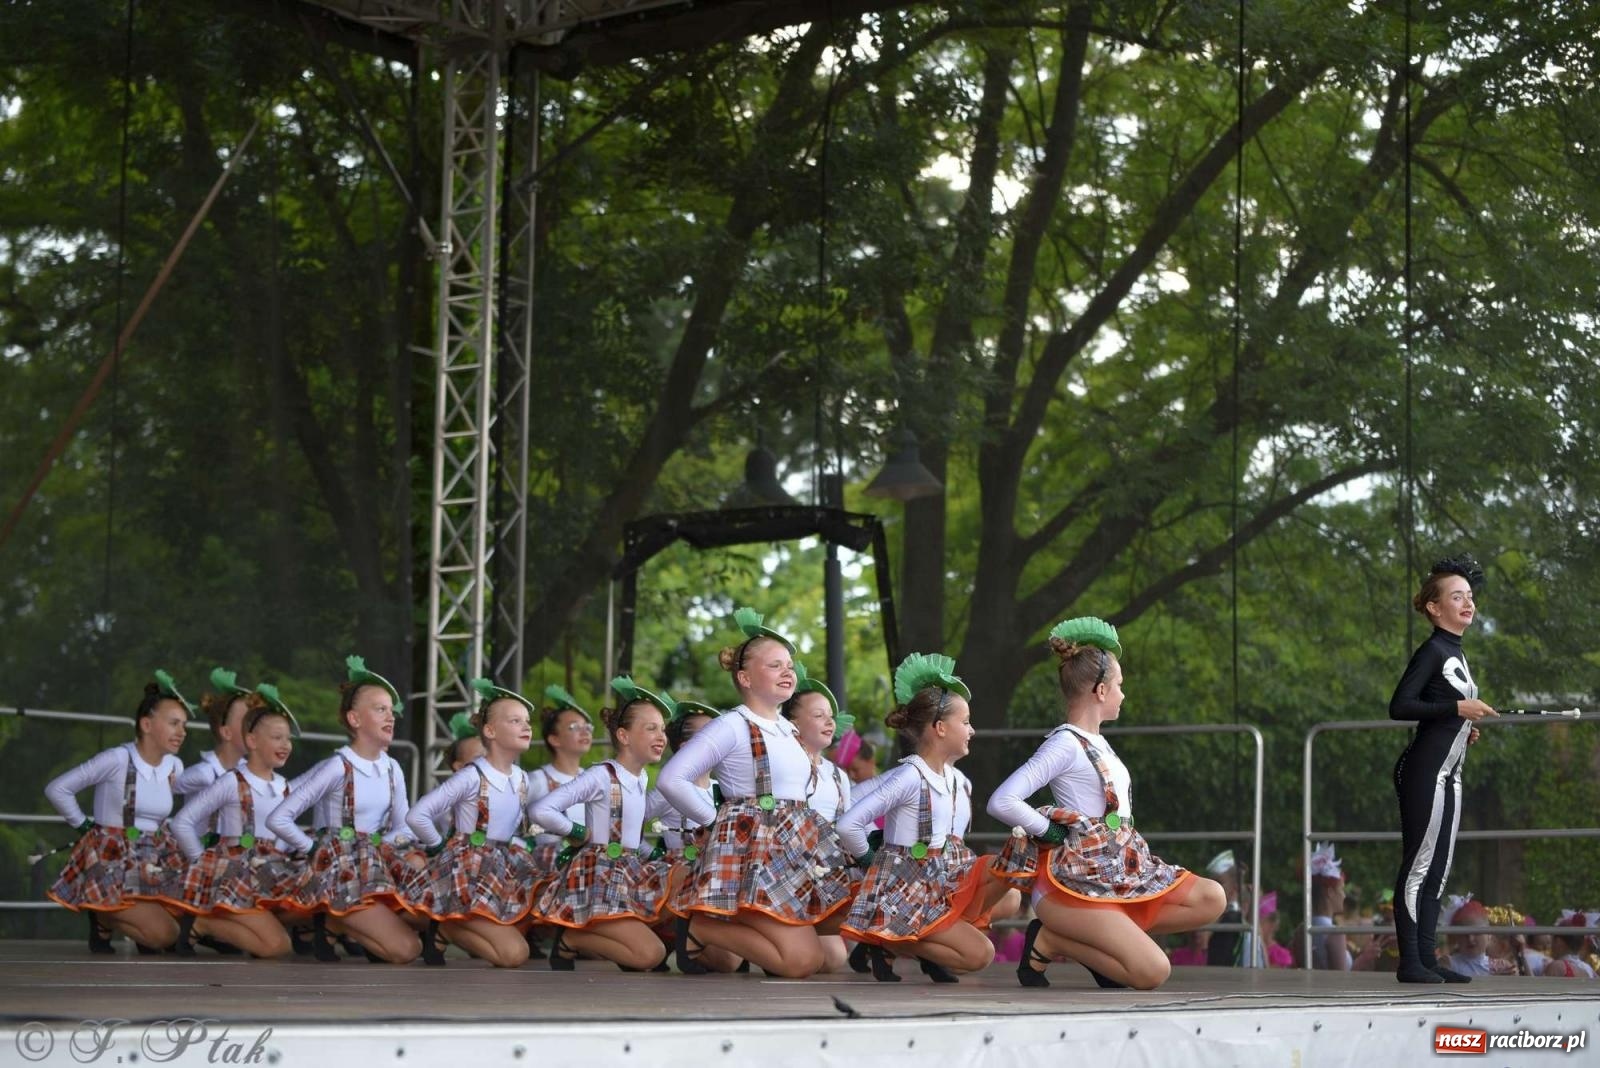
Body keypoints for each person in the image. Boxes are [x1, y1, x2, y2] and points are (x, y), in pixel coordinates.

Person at [988, 616, 1226, 990]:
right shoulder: (1065, 743)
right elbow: (1003, 800)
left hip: (1120, 875)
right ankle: (1051, 939)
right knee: (1153, 972)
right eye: (1118, 686)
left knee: (1212, 898)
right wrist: (1048, 829)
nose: (1122, 694)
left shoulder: (1100, 743)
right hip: (1075, 886)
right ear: (1100, 690)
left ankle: (1106, 937)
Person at [657, 606, 852, 979]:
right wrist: (714, 819)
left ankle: (721, 929)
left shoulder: (789, 730)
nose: (787, 672)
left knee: (846, 916)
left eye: (789, 665)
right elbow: (672, 779)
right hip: (756, 856)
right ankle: (703, 927)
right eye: (774, 665)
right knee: (802, 962)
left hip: (796, 851)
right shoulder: (732, 725)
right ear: (745, 677)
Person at [837, 652, 1001, 983]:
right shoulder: (910, 776)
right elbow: (848, 824)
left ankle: (894, 943)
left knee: (1003, 871)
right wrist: (871, 859)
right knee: (979, 955)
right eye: (965, 721)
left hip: (941, 879)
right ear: (940, 728)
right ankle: (888, 938)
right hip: (907, 890)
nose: (971, 730)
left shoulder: (952, 778)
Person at [266, 655, 421, 964]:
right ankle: (326, 918)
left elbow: (404, 827)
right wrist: (314, 849)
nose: (390, 717)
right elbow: (279, 817)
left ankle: (332, 923)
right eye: (380, 709)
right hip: (339, 868)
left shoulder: (392, 768)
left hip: (373, 861)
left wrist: (383, 846)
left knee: (430, 907)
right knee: (406, 949)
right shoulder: (338, 766)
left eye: (391, 710)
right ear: (354, 719)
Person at [1389, 554, 1494, 984]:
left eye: (1469, 597)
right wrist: (1456, 707)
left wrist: (1461, 725)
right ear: (1434, 607)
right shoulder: (1433, 650)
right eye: (1457, 596)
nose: (1467, 603)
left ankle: (1428, 959)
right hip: (1426, 772)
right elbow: (1400, 705)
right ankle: (1410, 961)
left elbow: (1440, 713)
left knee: (1439, 868)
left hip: (1451, 773)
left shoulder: (1457, 651)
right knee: (1418, 865)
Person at [531, 676, 676, 972]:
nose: (661, 736)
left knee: (685, 876)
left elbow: (628, 835)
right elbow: (542, 809)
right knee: (650, 955)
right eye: (651, 728)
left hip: (630, 869)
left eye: (662, 729)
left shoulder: (642, 777)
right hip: (601, 874)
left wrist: (653, 854)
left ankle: (600, 935)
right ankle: (570, 939)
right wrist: (577, 832)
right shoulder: (601, 775)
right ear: (623, 736)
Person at [45, 671, 193, 953]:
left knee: (192, 910)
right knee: (166, 935)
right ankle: (103, 913)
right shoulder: (117, 758)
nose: (182, 732)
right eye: (174, 723)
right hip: (113, 858)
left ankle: (125, 920)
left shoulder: (176, 766)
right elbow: (58, 789)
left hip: (154, 858)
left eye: (184, 725)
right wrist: (84, 827)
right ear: (146, 724)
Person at [404, 678, 542, 968]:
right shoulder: (471, 775)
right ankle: (448, 925)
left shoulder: (521, 778)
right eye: (515, 720)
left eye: (527, 721)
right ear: (490, 731)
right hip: (469, 867)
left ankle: (449, 927)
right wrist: (440, 846)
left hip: (502, 862)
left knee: (540, 901)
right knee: (514, 955)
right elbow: (418, 815)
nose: (526, 727)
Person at [171, 685, 302, 958]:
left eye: (288, 738)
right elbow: (182, 821)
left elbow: (284, 835)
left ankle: (233, 923)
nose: (285, 745)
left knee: (312, 901)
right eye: (277, 737)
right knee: (277, 947)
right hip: (236, 875)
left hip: (270, 872)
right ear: (252, 741)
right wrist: (202, 864)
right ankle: (203, 923)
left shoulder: (284, 786)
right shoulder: (232, 781)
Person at [527, 684, 594, 869]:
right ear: (554, 739)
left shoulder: (594, 778)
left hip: (588, 869)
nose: (585, 731)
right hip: (549, 873)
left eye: (587, 726)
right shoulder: (536, 780)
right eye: (574, 727)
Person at [1544, 912, 1598, 978]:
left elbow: (1538, 987)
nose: (1550, 946)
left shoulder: (1556, 967)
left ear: (1558, 942)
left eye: (1552, 941)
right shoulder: (1590, 970)